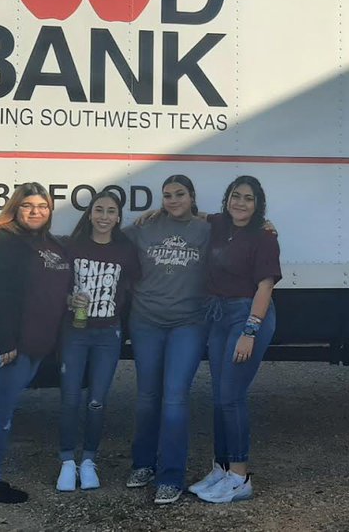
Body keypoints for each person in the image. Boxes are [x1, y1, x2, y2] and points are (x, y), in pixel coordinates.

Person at [0, 182, 71, 504]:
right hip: (0, 343)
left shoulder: (44, 242)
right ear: (15, 208)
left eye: (43, 206)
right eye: (28, 206)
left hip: (31, 341)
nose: (36, 212)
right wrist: (3, 342)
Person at [191, 175, 281, 504]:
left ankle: (241, 477)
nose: (240, 203)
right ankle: (222, 467)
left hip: (247, 316)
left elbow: (265, 287)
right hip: (218, 316)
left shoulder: (265, 237)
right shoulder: (218, 224)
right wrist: (152, 214)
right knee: (218, 397)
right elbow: (191, 213)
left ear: (258, 205)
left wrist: (250, 332)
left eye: (248, 198)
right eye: (235, 196)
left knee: (232, 396)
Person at [124, 174, 212, 504]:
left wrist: (268, 223)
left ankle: (171, 476)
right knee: (147, 396)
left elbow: (241, 231)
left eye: (179, 194)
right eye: (167, 195)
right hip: (146, 322)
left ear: (192, 197)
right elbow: (102, 238)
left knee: (174, 397)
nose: (173, 200)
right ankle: (143, 464)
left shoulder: (205, 229)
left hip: (187, 323)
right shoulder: (144, 228)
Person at [56, 189, 140, 492]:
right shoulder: (72, 246)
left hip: (108, 333)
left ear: (118, 218)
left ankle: (89, 460)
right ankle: (67, 461)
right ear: (89, 213)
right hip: (75, 331)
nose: (104, 217)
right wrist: (67, 299)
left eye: (111, 212)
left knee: (96, 400)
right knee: (69, 398)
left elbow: (135, 286)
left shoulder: (125, 250)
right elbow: (55, 286)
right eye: (99, 210)